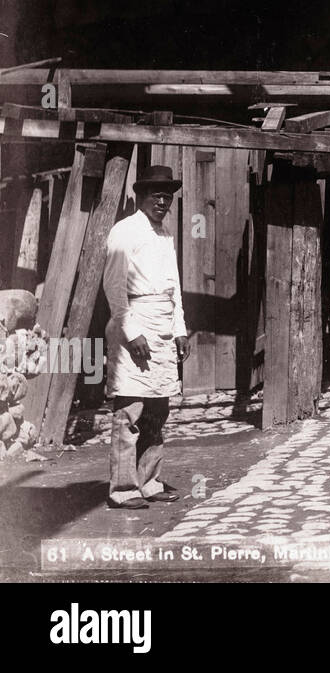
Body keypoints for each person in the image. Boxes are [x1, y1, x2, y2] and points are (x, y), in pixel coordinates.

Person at [102, 165, 189, 510]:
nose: (163, 201)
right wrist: (131, 331)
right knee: (129, 411)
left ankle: (148, 481)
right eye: (157, 195)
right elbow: (112, 286)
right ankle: (123, 488)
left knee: (158, 410)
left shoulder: (165, 234)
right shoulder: (124, 232)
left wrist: (180, 328)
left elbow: (174, 287)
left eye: (168, 196)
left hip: (163, 325)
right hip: (134, 324)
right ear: (142, 196)